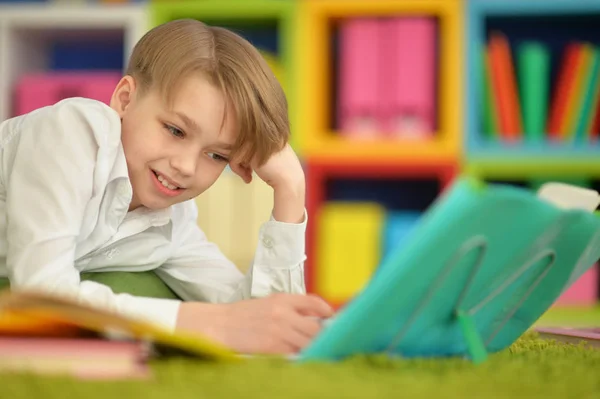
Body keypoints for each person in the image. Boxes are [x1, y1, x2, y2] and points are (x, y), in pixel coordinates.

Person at [0, 19, 333, 355]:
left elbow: (260, 322)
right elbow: (42, 294)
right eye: (175, 130)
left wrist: (290, 190)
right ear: (125, 99)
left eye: (217, 155)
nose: (187, 167)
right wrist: (205, 323)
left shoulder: (172, 219)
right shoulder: (71, 132)